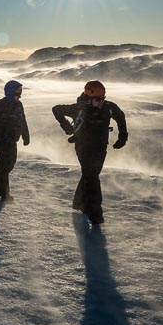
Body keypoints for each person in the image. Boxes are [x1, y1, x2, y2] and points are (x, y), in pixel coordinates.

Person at [51, 80, 128, 226]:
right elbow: (56, 109)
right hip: (83, 147)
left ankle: (79, 203)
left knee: (90, 176)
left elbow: (120, 116)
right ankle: (95, 214)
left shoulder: (108, 107)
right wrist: (66, 127)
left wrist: (123, 137)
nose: (101, 102)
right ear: (88, 97)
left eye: (103, 98)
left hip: (100, 147)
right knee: (92, 177)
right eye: (97, 99)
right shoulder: (78, 109)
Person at [0, 80, 30, 200]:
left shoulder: (19, 104)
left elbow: (22, 120)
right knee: (5, 165)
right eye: (18, 90)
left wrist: (25, 135)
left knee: (10, 164)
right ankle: (5, 194)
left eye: (21, 90)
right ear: (11, 90)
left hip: (12, 140)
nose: (20, 92)